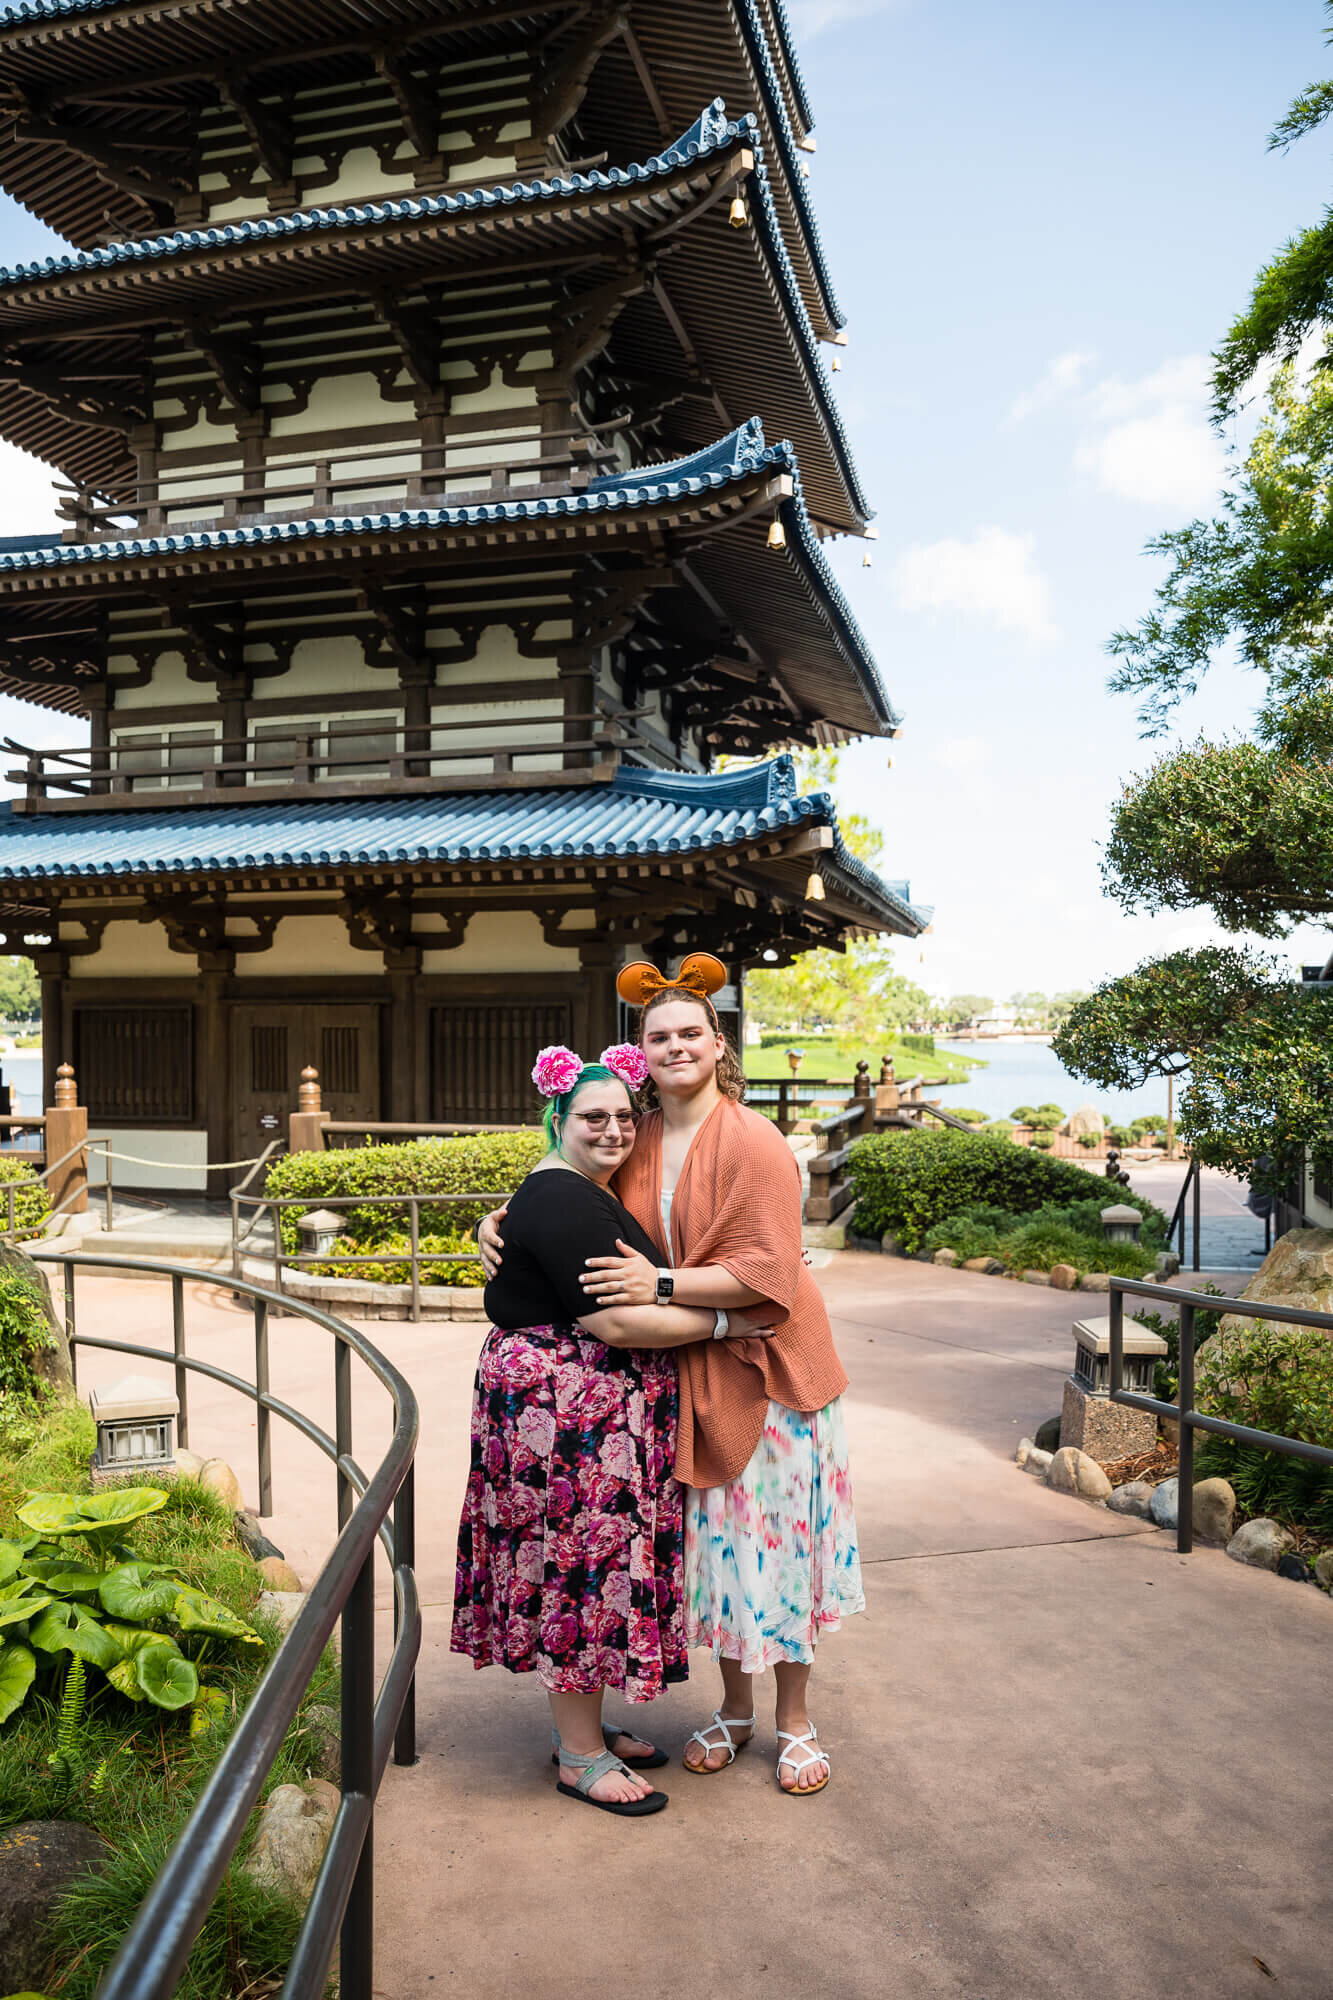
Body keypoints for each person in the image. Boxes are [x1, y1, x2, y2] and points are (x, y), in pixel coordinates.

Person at [480, 956, 864, 1796]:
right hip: (695, 1360)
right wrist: (502, 1217)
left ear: (718, 1043)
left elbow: (768, 1271)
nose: (675, 1046)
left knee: (782, 1544)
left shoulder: (753, 1140)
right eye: (659, 1036)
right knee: (724, 1549)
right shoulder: (638, 1132)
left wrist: (661, 1284)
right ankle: (733, 1708)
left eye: (691, 1032)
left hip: (769, 1363)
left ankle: (794, 1719)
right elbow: (569, 1193)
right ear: (639, 1051)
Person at [450, 1042, 762, 1819]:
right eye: (593, 1117)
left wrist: (500, 1215)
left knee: (589, 1562)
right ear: (556, 1119)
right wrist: (727, 1324)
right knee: (579, 1566)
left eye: (625, 1116)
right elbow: (618, 1320)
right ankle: (580, 1756)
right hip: (567, 1419)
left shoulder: (575, 1190)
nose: (614, 1130)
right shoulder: (561, 1195)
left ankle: (581, 1729)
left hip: (583, 1415)